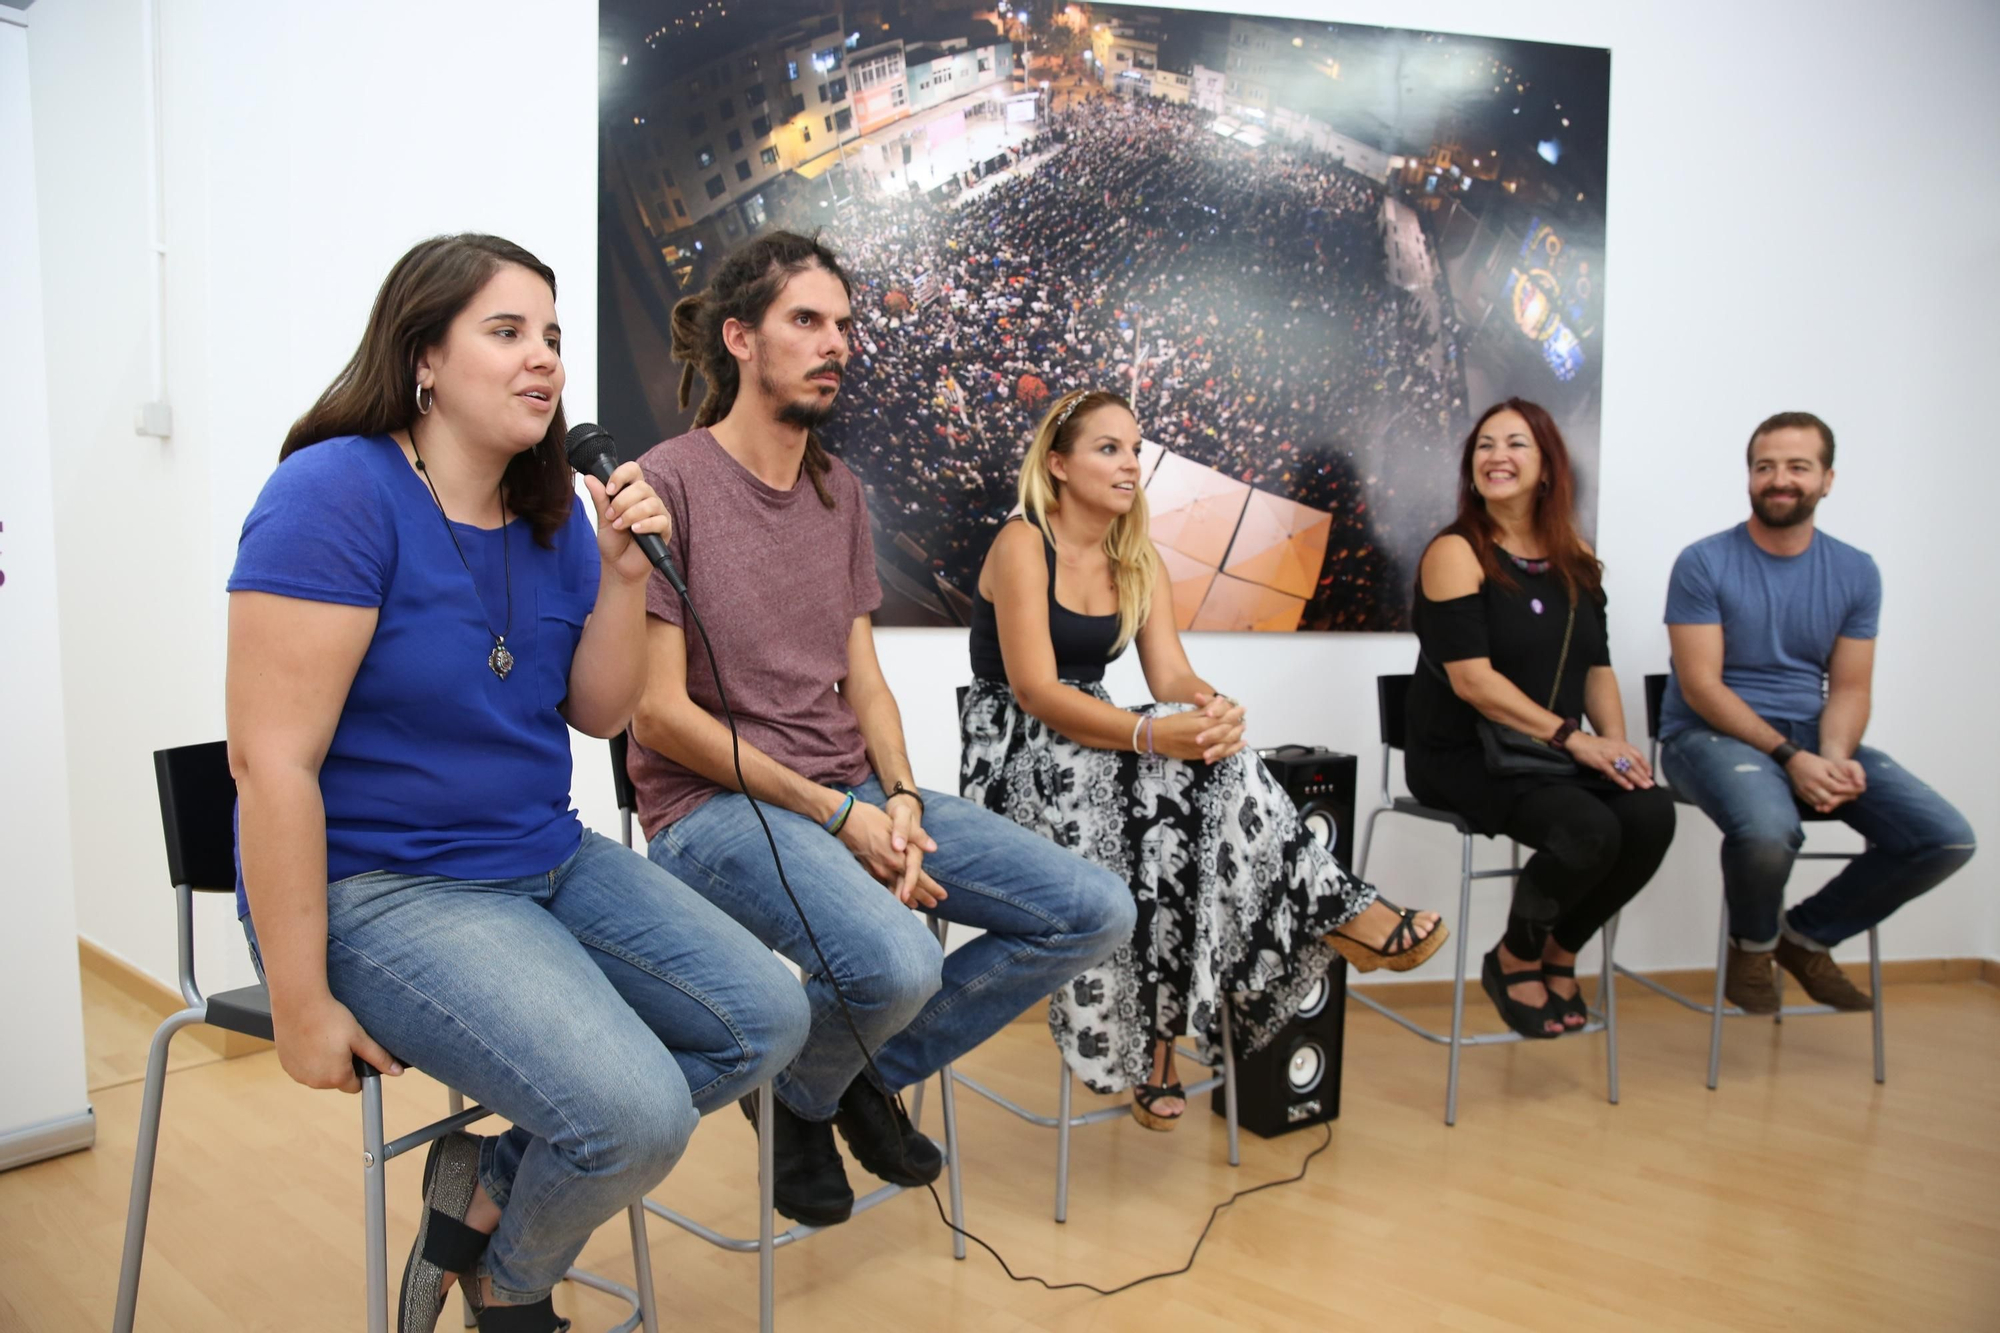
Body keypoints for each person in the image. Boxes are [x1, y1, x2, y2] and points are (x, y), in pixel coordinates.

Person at [226, 234, 808, 1333]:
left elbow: (595, 710)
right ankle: (518, 1288)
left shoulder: (551, 516)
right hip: (383, 886)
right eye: (506, 332)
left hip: (541, 856)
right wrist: (300, 1004)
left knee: (767, 1016)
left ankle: (491, 1202)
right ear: (423, 359)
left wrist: (626, 571)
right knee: (633, 1115)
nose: (543, 358)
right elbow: (271, 763)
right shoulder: (334, 494)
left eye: (551, 335)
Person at [628, 232, 1134, 1227]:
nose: (836, 344)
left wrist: (896, 794)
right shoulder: (668, 481)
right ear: (739, 337)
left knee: (1094, 909)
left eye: (843, 325)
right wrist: (839, 813)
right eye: (805, 321)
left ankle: (816, 1086)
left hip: (848, 793)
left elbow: (863, 678)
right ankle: (828, 1081)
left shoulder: (838, 490)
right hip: (714, 810)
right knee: (896, 960)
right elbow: (656, 714)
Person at [960, 389, 1448, 1126]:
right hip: (1017, 756)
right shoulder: (1023, 542)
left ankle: (1158, 1041)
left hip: (1101, 744)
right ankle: (1339, 910)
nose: (1131, 463)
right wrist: (1158, 734)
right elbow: (1034, 691)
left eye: (1135, 447)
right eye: (1109, 448)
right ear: (1057, 465)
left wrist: (1211, 708)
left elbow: (1170, 679)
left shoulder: (1137, 554)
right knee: (1168, 784)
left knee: (1189, 795)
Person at [1660, 411, 1975, 1013]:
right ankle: (1752, 946)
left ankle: (1804, 939)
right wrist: (1790, 757)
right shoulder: (1703, 562)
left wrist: (1831, 756)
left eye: (1798, 467)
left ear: (1827, 479)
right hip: (1706, 737)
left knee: (1945, 838)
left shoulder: (1856, 571)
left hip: (1810, 737)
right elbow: (1700, 687)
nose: (1780, 479)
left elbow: (1851, 688)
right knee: (1770, 832)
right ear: (1749, 477)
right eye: (1765, 467)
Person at [1406, 399, 1675, 1038]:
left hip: (1550, 753)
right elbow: (1473, 682)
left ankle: (1562, 950)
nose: (1497, 456)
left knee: (1649, 814)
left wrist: (1614, 745)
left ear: (1548, 465)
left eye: (1516, 444)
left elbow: (1596, 667)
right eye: (1485, 446)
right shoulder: (1455, 552)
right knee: (1589, 831)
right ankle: (1514, 956)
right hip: (1464, 754)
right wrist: (1574, 739)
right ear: (1472, 468)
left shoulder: (1575, 556)